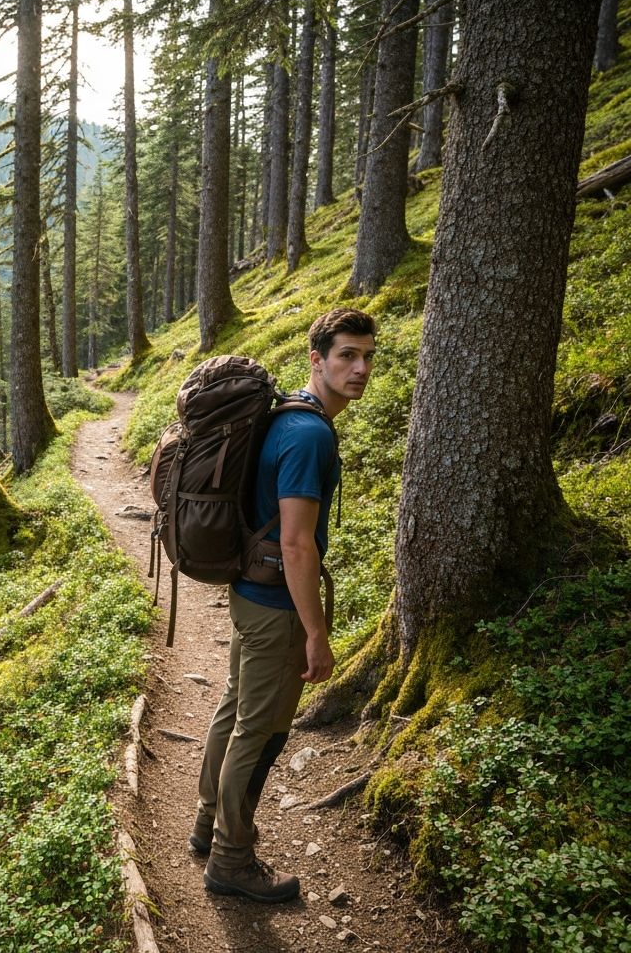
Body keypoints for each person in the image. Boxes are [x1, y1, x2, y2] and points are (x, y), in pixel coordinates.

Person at [189, 307, 377, 903]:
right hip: (277, 608)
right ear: (317, 359)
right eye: (347, 355)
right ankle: (231, 858)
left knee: (235, 710)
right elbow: (297, 544)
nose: (360, 368)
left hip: (251, 596)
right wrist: (315, 633)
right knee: (261, 732)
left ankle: (208, 824)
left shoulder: (287, 413)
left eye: (367, 356)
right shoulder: (310, 434)